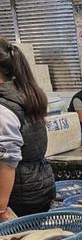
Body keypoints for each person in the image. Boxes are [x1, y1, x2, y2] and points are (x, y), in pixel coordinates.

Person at [0, 38, 55, 221]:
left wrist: (1, 208)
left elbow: (7, 160)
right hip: (39, 184)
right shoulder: (26, 93)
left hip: (18, 195)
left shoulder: (4, 106)